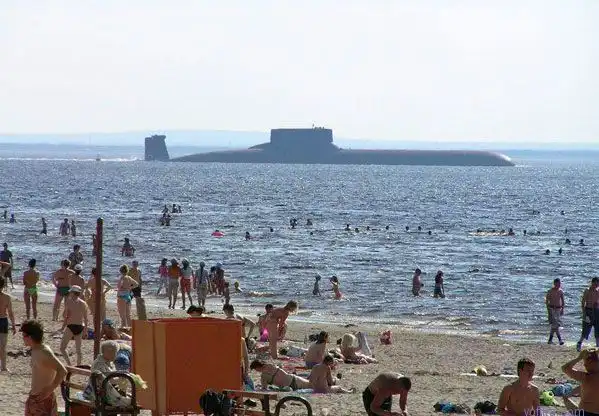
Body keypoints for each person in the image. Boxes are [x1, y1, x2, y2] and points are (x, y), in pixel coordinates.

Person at [22, 320, 67, 416]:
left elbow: (62, 370)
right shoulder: (36, 349)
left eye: (23, 335)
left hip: (42, 399)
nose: (22, 338)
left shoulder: (43, 352)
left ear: (29, 337)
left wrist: (50, 389)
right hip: (35, 398)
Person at [83, 340, 131, 406]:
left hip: (102, 390)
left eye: (115, 352)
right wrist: (120, 377)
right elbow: (104, 378)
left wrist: (120, 375)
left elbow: (108, 376)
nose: (115, 355)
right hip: (100, 394)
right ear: (105, 353)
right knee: (128, 401)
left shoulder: (108, 362)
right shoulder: (99, 363)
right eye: (113, 352)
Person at [562, 348, 599, 415]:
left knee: (565, 398)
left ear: (592, 362)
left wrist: (579, 358)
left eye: (586, 363)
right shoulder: (588, 379)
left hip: (585, 412)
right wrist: (571, 393)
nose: (584, 365)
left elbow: (565, 368)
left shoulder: (586, 377)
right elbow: (591, 387)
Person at [59, 285, 88, 366]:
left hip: (71, 326)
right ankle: (78, 366)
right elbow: (86, 319)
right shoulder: (83, 303)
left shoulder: (68, 302)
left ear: (73, 293)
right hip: (80, 326)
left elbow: (65, 316)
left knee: (62, 348)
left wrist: (62, 327)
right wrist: (85, 331)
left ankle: (69, 364)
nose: (70, 293)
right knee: (78, 350)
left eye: (71, 292)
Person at [577, 278, 599, 352]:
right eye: (595, 284)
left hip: (596, 311)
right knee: (586, 329)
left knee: (597, 329)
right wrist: (584, 313)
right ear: (592, 283)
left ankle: (597, 345)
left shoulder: (597, 291)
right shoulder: (587, 290)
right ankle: (579, 343)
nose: (596, 285)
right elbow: (583, 302)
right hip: (588, 311)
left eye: (597, 284)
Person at [0, 277, 16, 372]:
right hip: (3, 321)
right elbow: (10, 313)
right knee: (3, 346)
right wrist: (13, 325)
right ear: (3, 285)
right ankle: (3, 367)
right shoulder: (7, 297)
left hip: (3, 321)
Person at [546, 278, 565, 345]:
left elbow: (563, 301)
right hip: (552, 309)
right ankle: (560, 340)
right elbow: (547, 301)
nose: (558, 285)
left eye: (559, 284)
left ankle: (550, 340)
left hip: (558, 309)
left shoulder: (560, 291)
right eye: (557, 284)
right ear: (554, 284)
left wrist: (562, 309)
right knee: (555, 325)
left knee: (554, 326)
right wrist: (548, 310)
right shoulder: (550, 291)